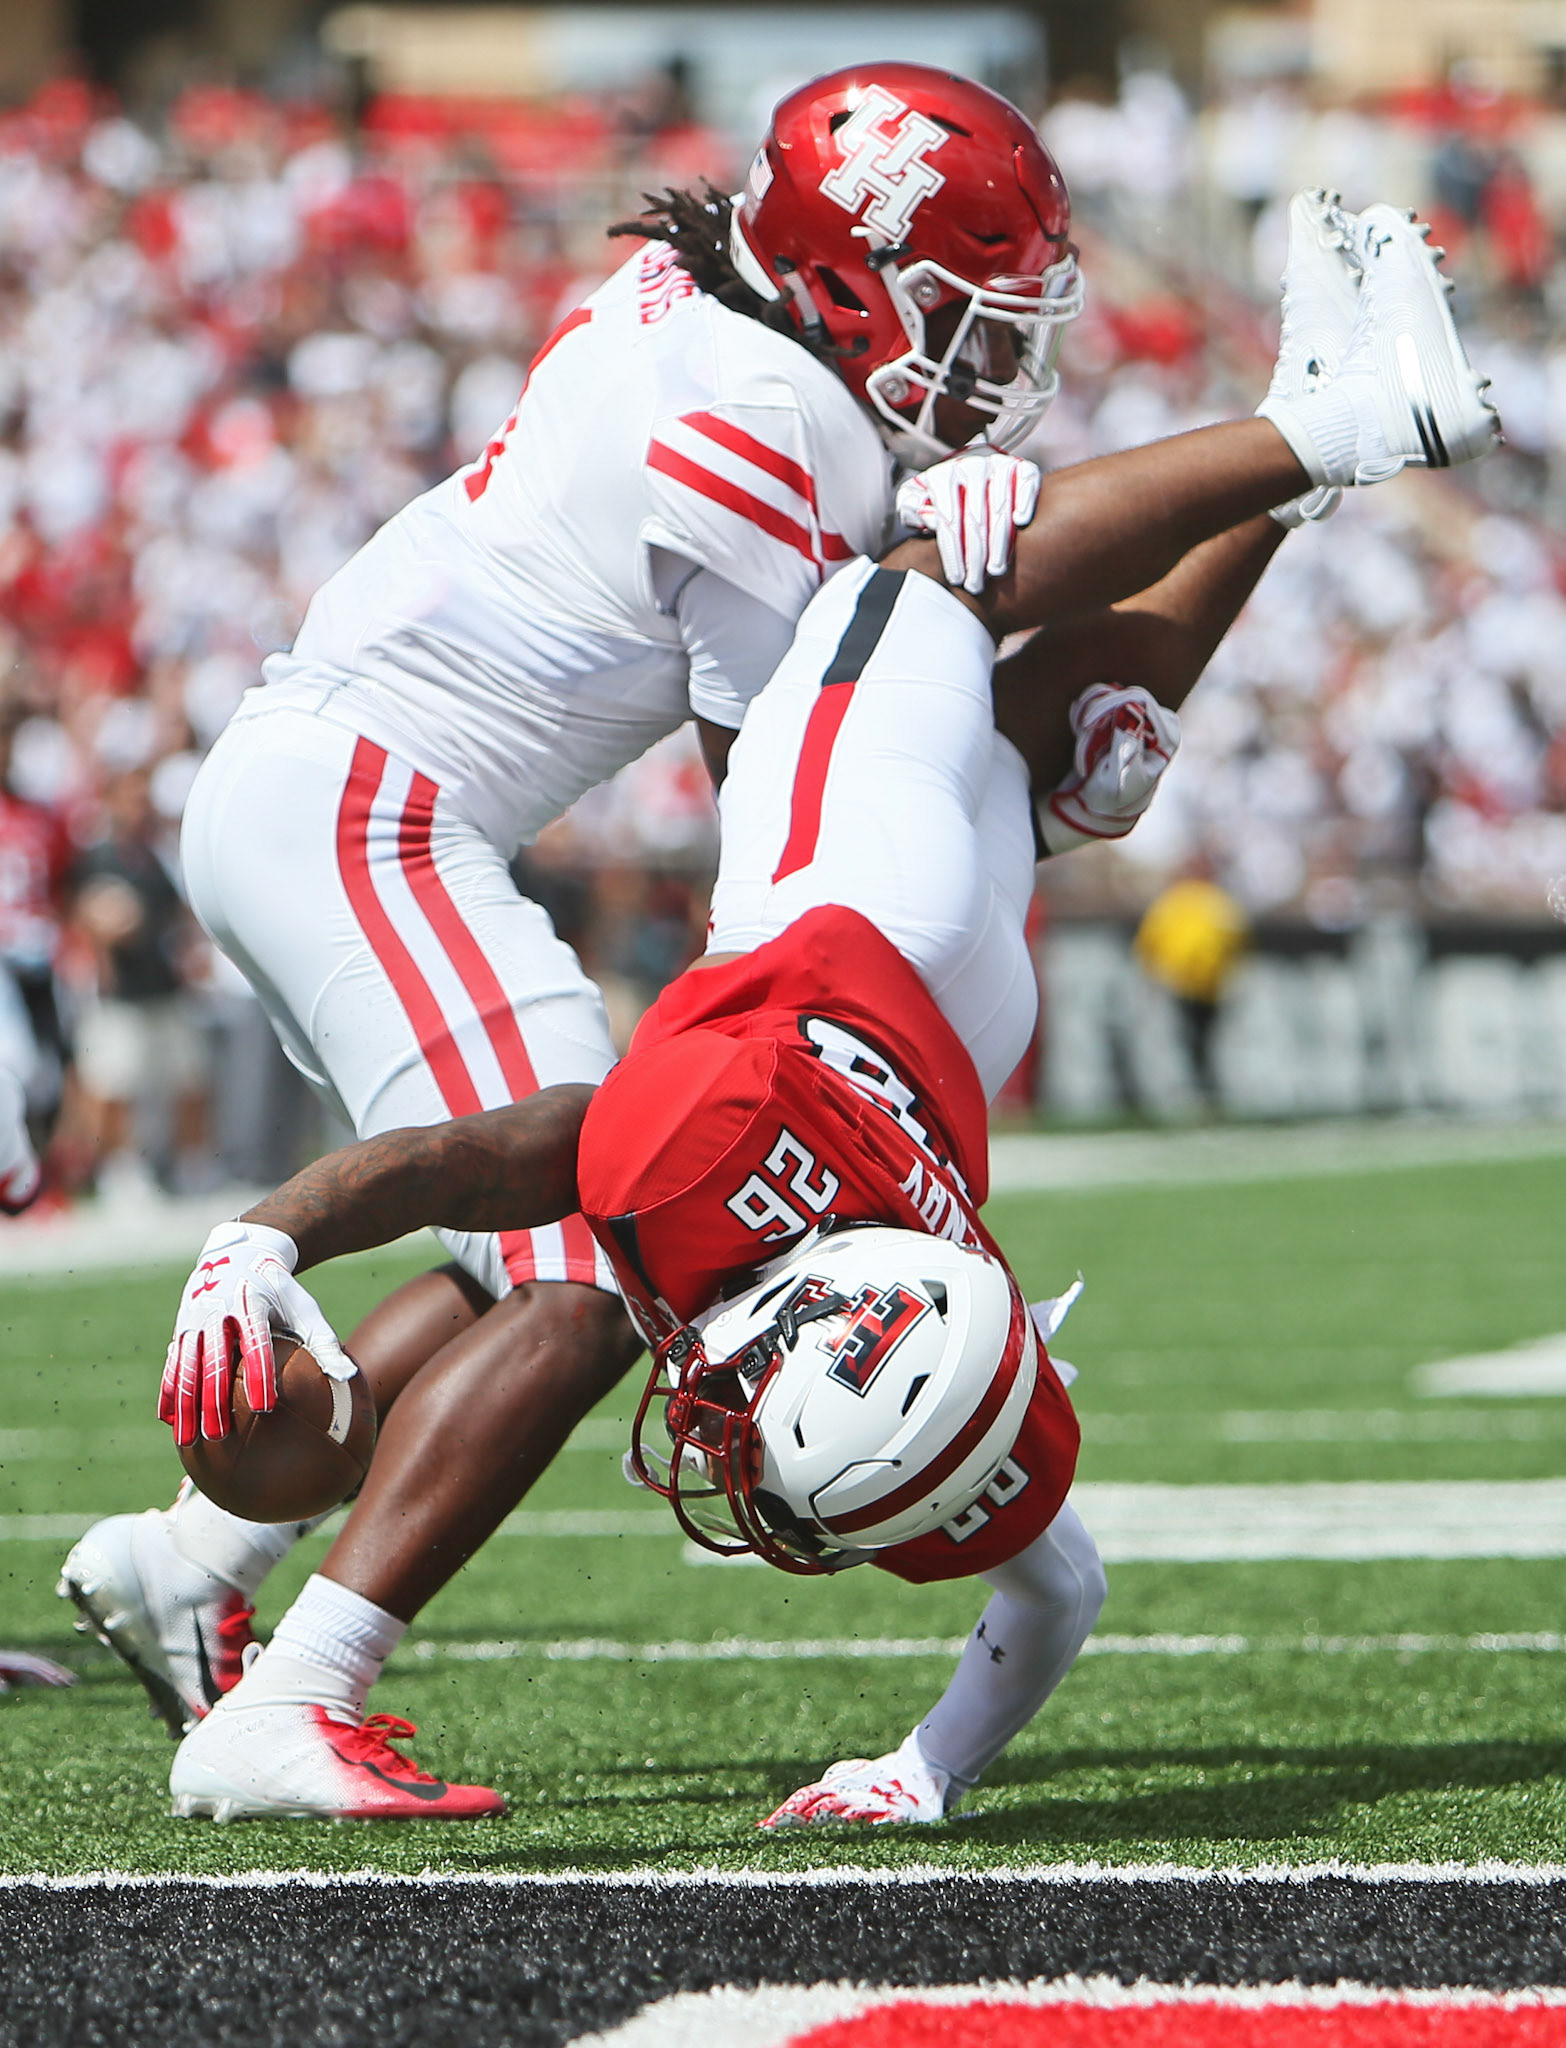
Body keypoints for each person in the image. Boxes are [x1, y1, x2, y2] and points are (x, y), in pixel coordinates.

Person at [153, 196, 1499, 1824]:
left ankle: (1304, 475)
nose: (711, 1407)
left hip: (914, 980)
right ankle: (1337, 425)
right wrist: (272, 1232)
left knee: (993, 719)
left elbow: (1047, 1598)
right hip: (724, 884)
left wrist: (922, 1774)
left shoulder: (947, 1306)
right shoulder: (701, 1169)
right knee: (923, 606)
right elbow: (490, 1159)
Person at [58, 65, 1082, 1741]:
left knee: (547, 1230)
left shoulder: (701, 299)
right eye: (952, 318)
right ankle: (300, 1698)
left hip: (337, 793)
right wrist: (945, 567)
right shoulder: (782, 420)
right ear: (842, 280)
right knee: (613, 1257)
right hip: (371, 815)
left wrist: (907, 535)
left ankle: (194, 1564)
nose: (985, 367)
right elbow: (800, 791)